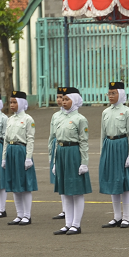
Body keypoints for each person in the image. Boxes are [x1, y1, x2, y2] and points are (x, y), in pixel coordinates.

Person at [52, 87, 91, 235]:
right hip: (61, 153)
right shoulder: (59, 117)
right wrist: (55, 162)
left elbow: (84, 142)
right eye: (63, 99)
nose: (63, 101)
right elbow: (57, 141)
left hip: (73, 153)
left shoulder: (80, 119)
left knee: (76, 191)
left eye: (67, 99)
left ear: (74, 101)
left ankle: (76, 224)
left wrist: (84, 162)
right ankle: (67, 223)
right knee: (65, 191)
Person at [98, 82, 129, 229]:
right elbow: (102, 133)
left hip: (122, 145)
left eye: (114, 93)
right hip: (109, 145)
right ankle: (116, 217)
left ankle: (126, 217)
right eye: (109, 93)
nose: (111, 96)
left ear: (120, 94)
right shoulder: (105, 112)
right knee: (113, 181)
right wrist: (103, 152)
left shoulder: (127, 112)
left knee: (124, 183)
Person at [3, 91, 37, 226]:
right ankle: (19, 214)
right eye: (11, 102)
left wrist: (28, 157)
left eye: (14, 102)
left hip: (21, 151)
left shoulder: (28, 119)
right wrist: (3, 158)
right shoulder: (9, 119)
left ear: (22, 103)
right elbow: (6, 139)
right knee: (14, 184)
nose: (12, 105)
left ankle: (27, 216)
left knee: (25, 185)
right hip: (11, 151)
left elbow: (30, 139)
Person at [48, 87, 67, 220]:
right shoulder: (55, 115)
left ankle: (68, 210)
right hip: (56, 145)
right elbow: (51, 135)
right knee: (59, 179)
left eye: (62, 97)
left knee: (66, 178)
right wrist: (50, 152)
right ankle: (64, 208)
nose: (60, 100)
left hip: (66, 146)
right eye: (58, 97)